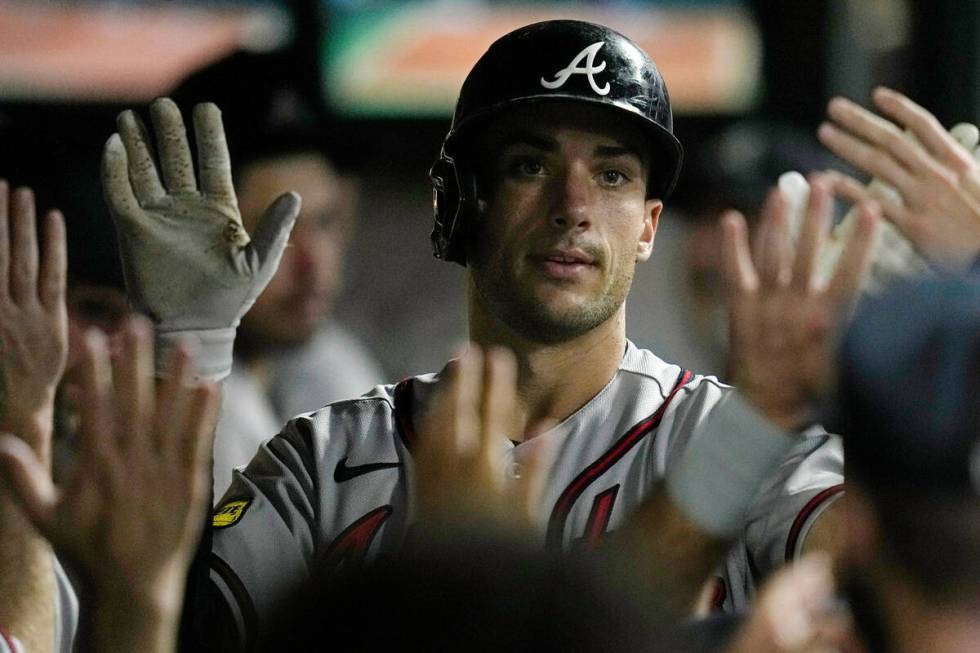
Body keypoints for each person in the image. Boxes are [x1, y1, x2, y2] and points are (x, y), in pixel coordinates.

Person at [91, 20, 880, 649]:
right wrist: (186, 347)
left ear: (648, 226)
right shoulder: (322, 460)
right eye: (531, 166)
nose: (574, 206)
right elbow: (172, 626)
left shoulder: (740, 442)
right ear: (458, 206)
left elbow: (905, 576)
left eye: (612, 175)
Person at [172, 55, 385, 498]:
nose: (314, 264)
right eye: (276, 232)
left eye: (324, 221)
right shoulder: (145, 404)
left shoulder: (333, 368)